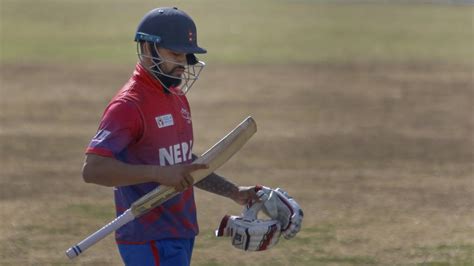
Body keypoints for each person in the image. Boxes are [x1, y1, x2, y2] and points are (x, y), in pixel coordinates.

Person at [82, 7, 259, 266]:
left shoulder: (177, 97)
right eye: (175, 54)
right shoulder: (128, 105)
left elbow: (182, 163)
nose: (183, 63)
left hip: (181, 230)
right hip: (148, 237)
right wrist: (157, 173)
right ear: (146, 49)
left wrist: (233, 192)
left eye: (186, 55)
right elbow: (93, 170)